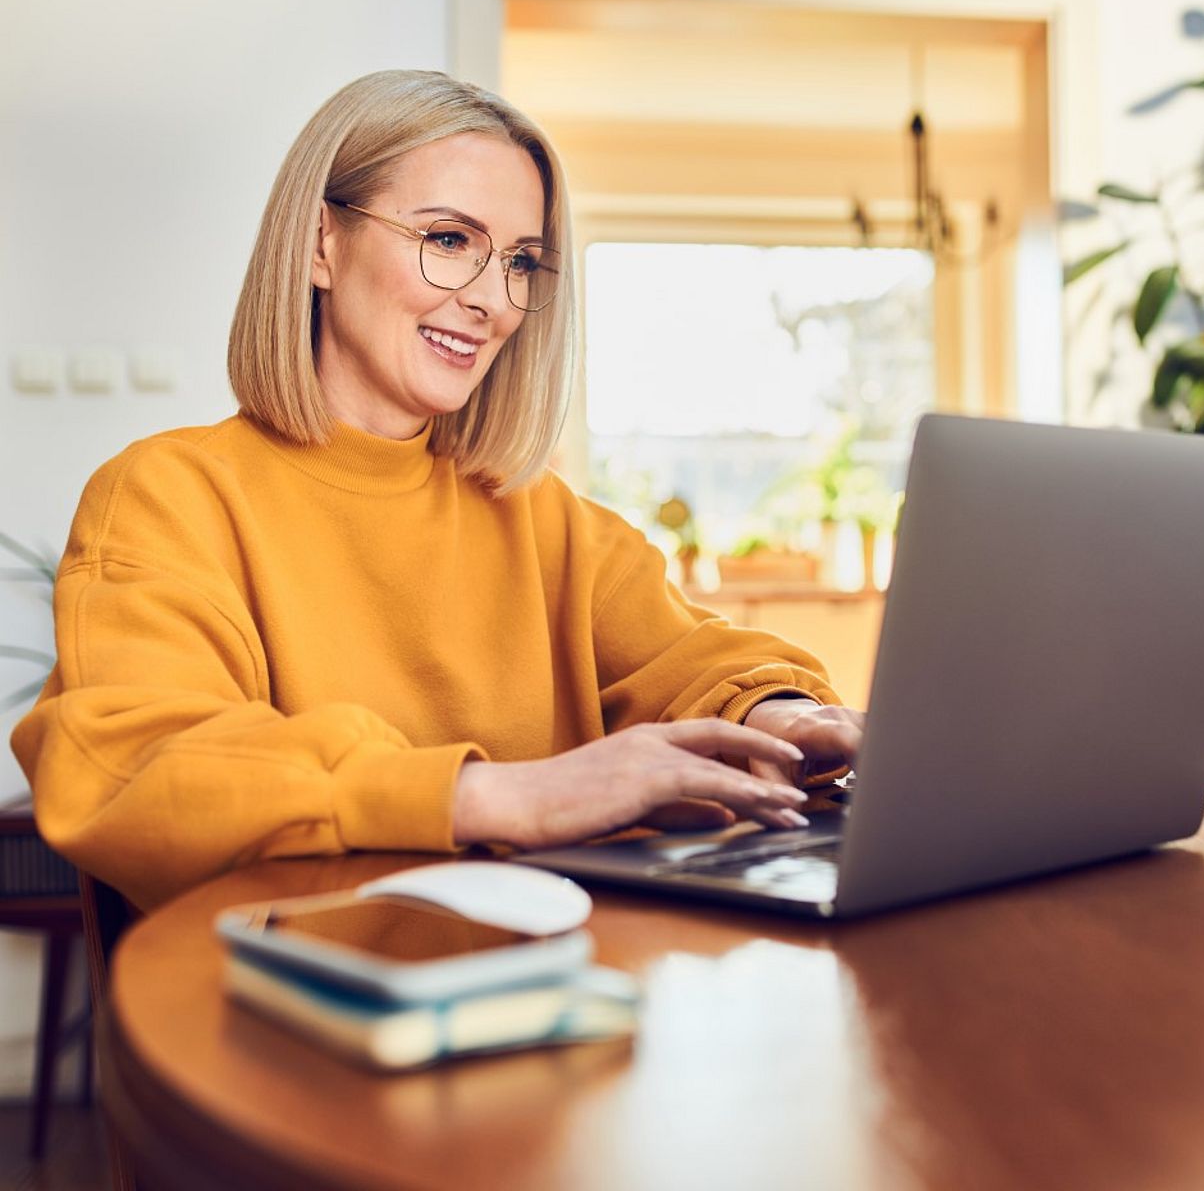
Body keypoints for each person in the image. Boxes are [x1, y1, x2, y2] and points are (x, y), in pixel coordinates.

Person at [12, 70, 863, 911]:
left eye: (521, 261)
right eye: (450, 240)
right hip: (285, 1009)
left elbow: (699, 659)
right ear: (320, 243)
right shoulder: (168, 496)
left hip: (551, 997)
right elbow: (139, 766)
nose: (492, 301)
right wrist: (501, 797)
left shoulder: (537, 513)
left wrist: (779, 714)